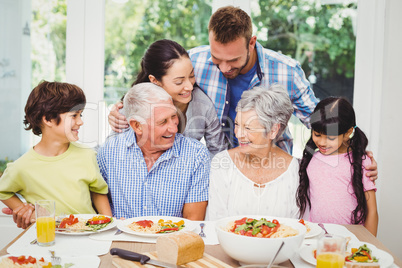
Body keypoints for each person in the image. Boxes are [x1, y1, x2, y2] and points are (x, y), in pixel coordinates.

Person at [107, 6, 378, 179]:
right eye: (217, 58)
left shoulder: (286, 70)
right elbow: (150, 89)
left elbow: (324, 123)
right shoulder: (195, 63)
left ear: (251, 43)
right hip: (220, 169)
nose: (224, 67)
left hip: (270, 169)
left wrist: (355, 153)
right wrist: (119, 112)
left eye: (233, 61)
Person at [0, 81, 112, 229]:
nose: (80, 122)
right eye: (74, 115)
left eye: (81, 115)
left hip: (88, 234)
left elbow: (98, 191)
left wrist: (109, 223)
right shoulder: (22, 167)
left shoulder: (87, 155)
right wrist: (25, 210)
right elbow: (3, 191)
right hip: (50, 237)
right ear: (47, 119)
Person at [97, 82, 210, 220]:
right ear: (137, 126)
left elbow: (193, 223)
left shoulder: (196, 155)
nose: (174, 129)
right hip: (119, 238)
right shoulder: (108, 152)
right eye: (163, 122)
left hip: (172, 239)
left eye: (174, 117)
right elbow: (96, 194)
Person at [114, 39, 227, 156]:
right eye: (179, 82)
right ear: (155, 80)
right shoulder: (136, 105)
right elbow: (113, 150)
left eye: (192, 76)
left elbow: (218, 153)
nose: (189, 87)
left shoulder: (203, 105)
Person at [207, 85, 299, 220]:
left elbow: (296, 228)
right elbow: (216, 224)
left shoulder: (294, 169)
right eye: (237, 124)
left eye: (248, 128)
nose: (238, 134)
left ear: (273, 130)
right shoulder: (222, 163)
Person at [296, 97, 378, 236]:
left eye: (330, 137)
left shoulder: (362, 162)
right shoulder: (312, 160)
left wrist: (368, 245)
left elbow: (372, 211)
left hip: (351, 241)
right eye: (317, 134)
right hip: (316, 239)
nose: (322, 142)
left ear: (347, 133)